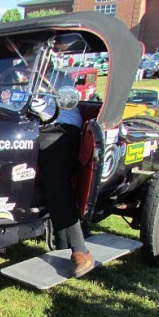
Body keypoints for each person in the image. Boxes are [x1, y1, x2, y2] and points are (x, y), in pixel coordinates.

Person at [38, 71, 94, 278]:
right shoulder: (9, 74)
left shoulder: (57, 77)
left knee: (54, 174)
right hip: (28, 126)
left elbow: (50, 107)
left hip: (60, 126)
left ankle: (80, 249)